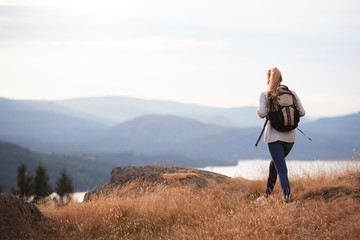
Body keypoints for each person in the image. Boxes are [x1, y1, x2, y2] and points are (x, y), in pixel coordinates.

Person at [256, 67, 306, 203]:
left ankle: (290, 202)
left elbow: (260, 114)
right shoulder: (291, 93)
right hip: (290, 138)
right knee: (274, 166)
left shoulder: (265, 94)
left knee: (281, 170)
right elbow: (302, 112)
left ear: (268, 80)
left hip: (274, 138)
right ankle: (265, 197)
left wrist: (269, 111)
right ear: (281, 79)